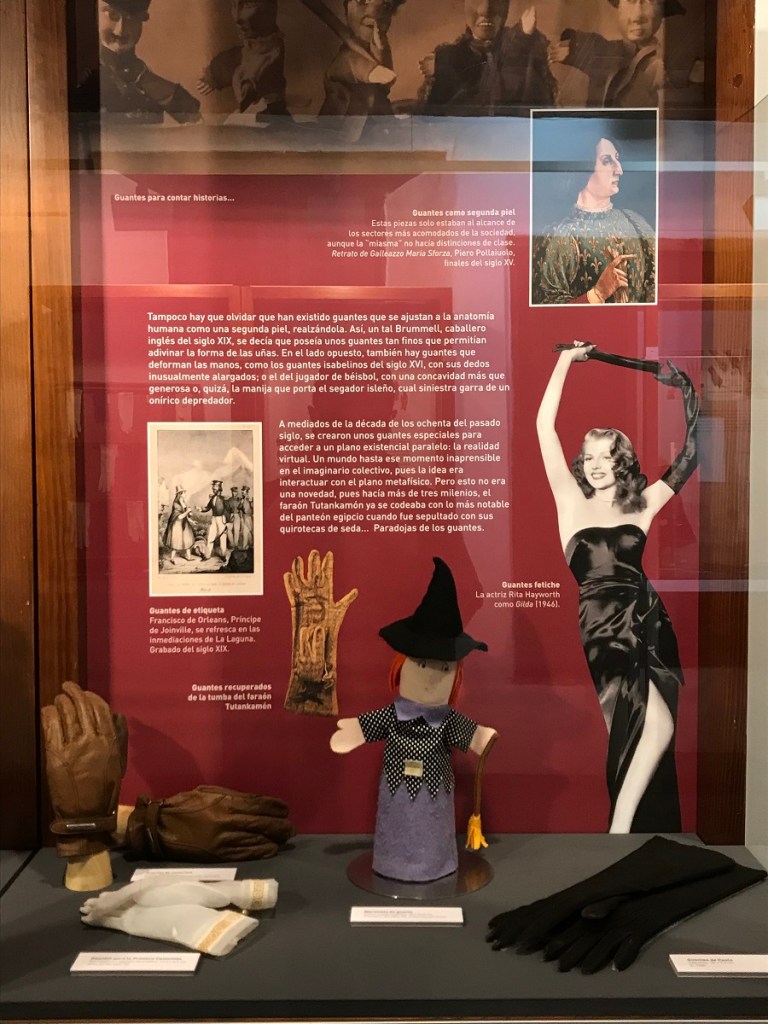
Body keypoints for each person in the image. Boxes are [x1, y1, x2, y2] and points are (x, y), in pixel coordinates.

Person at [535, 342, 699, 833]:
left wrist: (690, 394)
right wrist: (565, 360)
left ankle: (625, 837)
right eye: (588, 456)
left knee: (649, 728)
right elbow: (543, 427)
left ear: (621, 462)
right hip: (601, 628)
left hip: (646, 620)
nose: (595, 464)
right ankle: (619, 834)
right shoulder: (569, 500)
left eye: (606, 456)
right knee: (640, 727)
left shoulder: (640, 504)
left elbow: (691, 456)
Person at [331, 558, 497, 881]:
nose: (433, 676)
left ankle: (434, 863)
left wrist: (480, 737)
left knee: (431, 825)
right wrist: (355, 730)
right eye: (422, 664)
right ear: (402, 665)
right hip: (396, 798)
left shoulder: (447, 721)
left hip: (436, 802)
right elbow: (371, 724)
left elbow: (473, 736)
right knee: (397, 822)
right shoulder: (393, 716)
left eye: (444, 668)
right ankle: (393, 862)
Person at [532, 129, 656, 305]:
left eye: (617, 159)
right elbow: (548, 313)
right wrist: (598, 293)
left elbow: (656, 292)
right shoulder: (558, 237)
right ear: (583, 168)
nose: (619, 170)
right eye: (607, 161)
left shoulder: (636, 224)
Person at [419, 1, 556, 115]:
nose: (485, 10)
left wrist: (521, 41)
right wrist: (446, 64)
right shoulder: (449, 55)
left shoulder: (528, 45)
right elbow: (436, 120)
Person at [76, 0, 201, 124]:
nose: (120, 30)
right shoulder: (81, 73)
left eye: (132, 18)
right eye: (112, 15)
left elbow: (194, 118)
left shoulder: (140, 74)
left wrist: (142, 78)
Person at [549, 0, 685, 109]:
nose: (638, 15)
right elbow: (597, 49)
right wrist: (573, 49)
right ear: (618, 7)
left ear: (661, 12)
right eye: (630, 1)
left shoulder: (665, 64)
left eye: (649, 1)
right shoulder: (605, 51)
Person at [197, 0, 288, 119]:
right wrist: (215, 72)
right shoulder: (242, 54)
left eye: (249, 4)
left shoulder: (270, 55)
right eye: (234, 5)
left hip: (265, 120)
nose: (237, 17)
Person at [315, 0, 405, 119]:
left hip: (378, 122)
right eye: (362, 1)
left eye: (386, 5)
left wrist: (380, 48)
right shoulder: (346, 56)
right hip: (344, 123)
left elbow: (386, 83)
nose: (373, 11)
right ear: (346, 10)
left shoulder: (382, 48)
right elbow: (345, 64)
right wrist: (369, 71)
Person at [162, 486, 195, 564]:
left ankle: (189, 557)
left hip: (184, 524)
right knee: (176, 541)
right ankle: (172, 558)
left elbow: (185, 516)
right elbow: (180, 517)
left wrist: (192, 521)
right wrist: (187, 512)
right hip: (177, 525)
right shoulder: (176, 504)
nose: (185, 494)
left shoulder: (183, 502)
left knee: (187, 540)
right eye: (184, 493)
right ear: (180, 494)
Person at [201, 480, 229, 563]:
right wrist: (201, 509)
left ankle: (223, 555)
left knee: (222, 538)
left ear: (219, 488)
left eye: (215, 487)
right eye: (213, 487)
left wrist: (227, 523)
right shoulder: (212, 498)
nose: (213, 488)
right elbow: (207, 508)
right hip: (214, 519)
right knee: (210, 536)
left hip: (222, 519)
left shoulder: (224, 499)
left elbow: (228, 510)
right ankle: (207, 556)